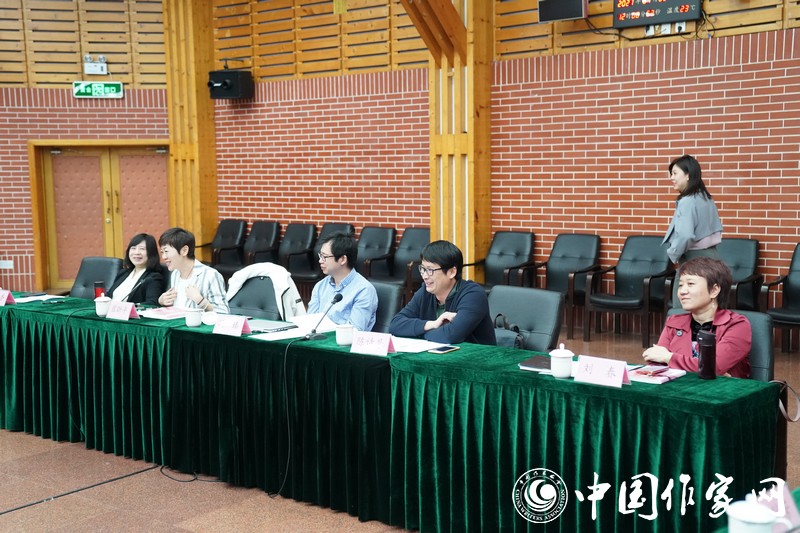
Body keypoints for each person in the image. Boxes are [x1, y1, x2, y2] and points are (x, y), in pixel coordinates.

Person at [643, 257, 751, 378]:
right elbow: (656, 362)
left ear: (714, 290)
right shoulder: (674, 322)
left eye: (690, 284)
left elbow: (713, 367)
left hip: (722, 389)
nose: (682, 291)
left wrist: (668, 357)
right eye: (680, 285)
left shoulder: (737, 325)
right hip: (679, 387)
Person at [389, 240, 496, 345]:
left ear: (452, 272)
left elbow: (451, 335)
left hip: (475, 356)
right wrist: (432, 324)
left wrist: (418, 332)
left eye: (430, 270)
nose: (425, 276)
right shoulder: (425, 292)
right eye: (423, 269)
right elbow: (395, 325)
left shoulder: (473, 295)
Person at [307, 232, 377, 331]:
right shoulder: (320, 286)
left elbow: (355, 330)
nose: (320, 261)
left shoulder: (364, 290)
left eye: (325, 257)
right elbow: (310, 321)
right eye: (320, 256)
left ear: (343, 259)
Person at [662, 155, 723, 265]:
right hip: (712, 256)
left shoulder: (687, 201)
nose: (671, 177)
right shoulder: (705, 198)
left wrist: (673, 253)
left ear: (688, 175)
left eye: (675, 173)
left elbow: (686, 235)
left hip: (694, 260)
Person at [157, 227, 229, 313]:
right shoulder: (175, 274)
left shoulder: (210, 275)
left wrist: (200, 301)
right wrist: (163, 301)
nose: (163, 257)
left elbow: (224, 312)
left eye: (166, 251)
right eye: (162, 252)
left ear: (184, 250)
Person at [107, 233, 165, 306]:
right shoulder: (123, 273)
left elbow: (152, 303)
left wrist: (128, 307)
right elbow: (108, 296)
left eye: (142, 249)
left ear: (151, 253)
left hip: (130, 313)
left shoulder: (153, 278)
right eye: (133, 248)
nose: (137, 252)